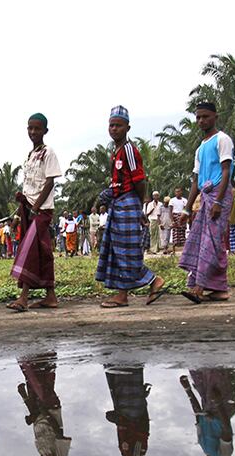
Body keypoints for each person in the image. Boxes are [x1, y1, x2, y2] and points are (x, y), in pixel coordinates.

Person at [95, 105, 165, 307]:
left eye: (118, 125)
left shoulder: (129, 150)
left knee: (126, 250)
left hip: (128, 202)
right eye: (111, 125)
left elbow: (139, 180)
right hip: (118, 202)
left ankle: (153, 280)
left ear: (127, 128)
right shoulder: (116, 152)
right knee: (118, 250)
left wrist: (141, 206)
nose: (114, 129)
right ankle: (122, 294)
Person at [177, 102, 234, 304]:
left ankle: (199, 288)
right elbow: (195, 180)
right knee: (206, 241)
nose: (202, 121)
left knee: (211, 241)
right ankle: (219, 289)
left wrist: (218, 201)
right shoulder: (200, 148)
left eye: (205, 117)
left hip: (219, 193)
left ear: (215, 116)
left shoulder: (222, 140)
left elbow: (226, 171)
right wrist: (187, 208)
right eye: (198, 117)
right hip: (205, 196)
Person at [9, 112, 61, 312]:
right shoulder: (30, 155)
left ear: (45, 131)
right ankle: (50, 296)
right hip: (28, 209)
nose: (33, 132)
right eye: (30, 128)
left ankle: (23, 297)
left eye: (37, 128)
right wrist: (17, 216)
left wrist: (36, 208)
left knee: (28, 250)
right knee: (42, 252)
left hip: (41, 211)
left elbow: (49, 182)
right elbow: (28, 187)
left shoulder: (48, 153)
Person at [18, 354, 71, 456]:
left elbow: (38, 424)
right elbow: (58, 433)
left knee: (33, 380)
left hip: (39, 409)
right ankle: (45, 352)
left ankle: (35, 352)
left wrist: (24, 397)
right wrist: (46, 413)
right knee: (38, 378)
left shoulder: (42, 454)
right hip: (50, 408)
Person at [179, 369, 235, 456]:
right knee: (215, 369)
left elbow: (198, 415)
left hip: (207, 400)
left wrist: (188, 390)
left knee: (198, 368)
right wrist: (219, 403)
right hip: (221, 405)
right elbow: (226, 430)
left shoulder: (203, 445)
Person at [104, 364, 150, 456]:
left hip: (124, 406)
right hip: (133, 406)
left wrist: (117, 419)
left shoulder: (124, 455)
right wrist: (119, 420)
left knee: (119, 372)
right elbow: (142, 430)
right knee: (129, 370)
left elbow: (126, 429)